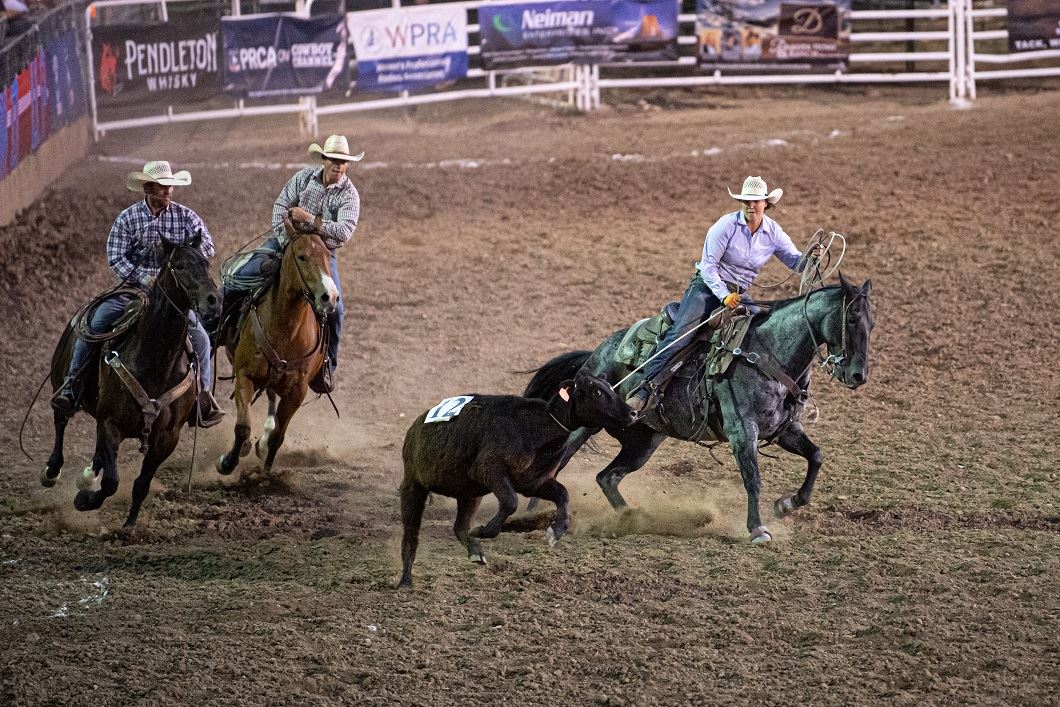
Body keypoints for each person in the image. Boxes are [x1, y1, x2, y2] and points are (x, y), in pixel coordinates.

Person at [51, 160, 225, 427]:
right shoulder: (127, 219)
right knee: (95, 324)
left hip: (173, 295)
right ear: (148, 188)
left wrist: (184, 256)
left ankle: (203, 398)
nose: (168, 192)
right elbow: (116, 257)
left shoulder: (186, 217)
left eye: (170, 187)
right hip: (134, 290)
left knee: (201, 338)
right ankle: (71, 386)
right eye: (162, 187)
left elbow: (208, 246)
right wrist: (145, 276)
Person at [629, 175, 824, 412]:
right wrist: (724, 296)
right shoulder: (725, 226)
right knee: (681, 333)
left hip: (739, 294)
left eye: (756, 201)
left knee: (762, 332)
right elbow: (709, 266)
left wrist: (811, 259)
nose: (751, 205)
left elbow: (796, 263)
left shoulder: (773, 232)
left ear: (766, 204)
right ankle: (644, 387)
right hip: (707, 288)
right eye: (746, 201)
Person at [219, 134, 362, 394]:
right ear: (324, 159)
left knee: (336, 309)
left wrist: (311, 219)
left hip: (321, 253)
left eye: (343, 161)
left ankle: (328, 364)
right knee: (242, 275)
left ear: (347, 164)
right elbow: (280, 207)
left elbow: (343, 232)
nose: (338, 165)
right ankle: (217, 325)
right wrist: (290, 242)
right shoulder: (303, 178)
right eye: (334, 160)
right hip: (286, 244)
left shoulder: (349, 195)